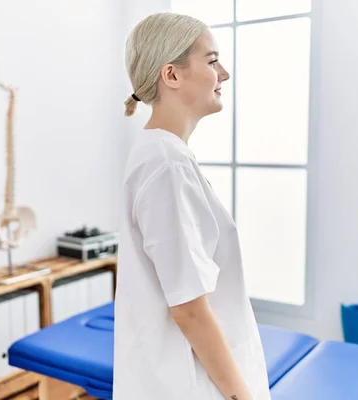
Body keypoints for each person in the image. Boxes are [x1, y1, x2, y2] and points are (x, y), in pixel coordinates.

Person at [113, 12, 272, 400]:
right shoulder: (166, 164)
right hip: (189, 385)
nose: (224, 74)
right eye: (212, 60)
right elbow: (189, 309)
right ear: (172, 75)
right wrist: (243, 395)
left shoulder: (165, 156)